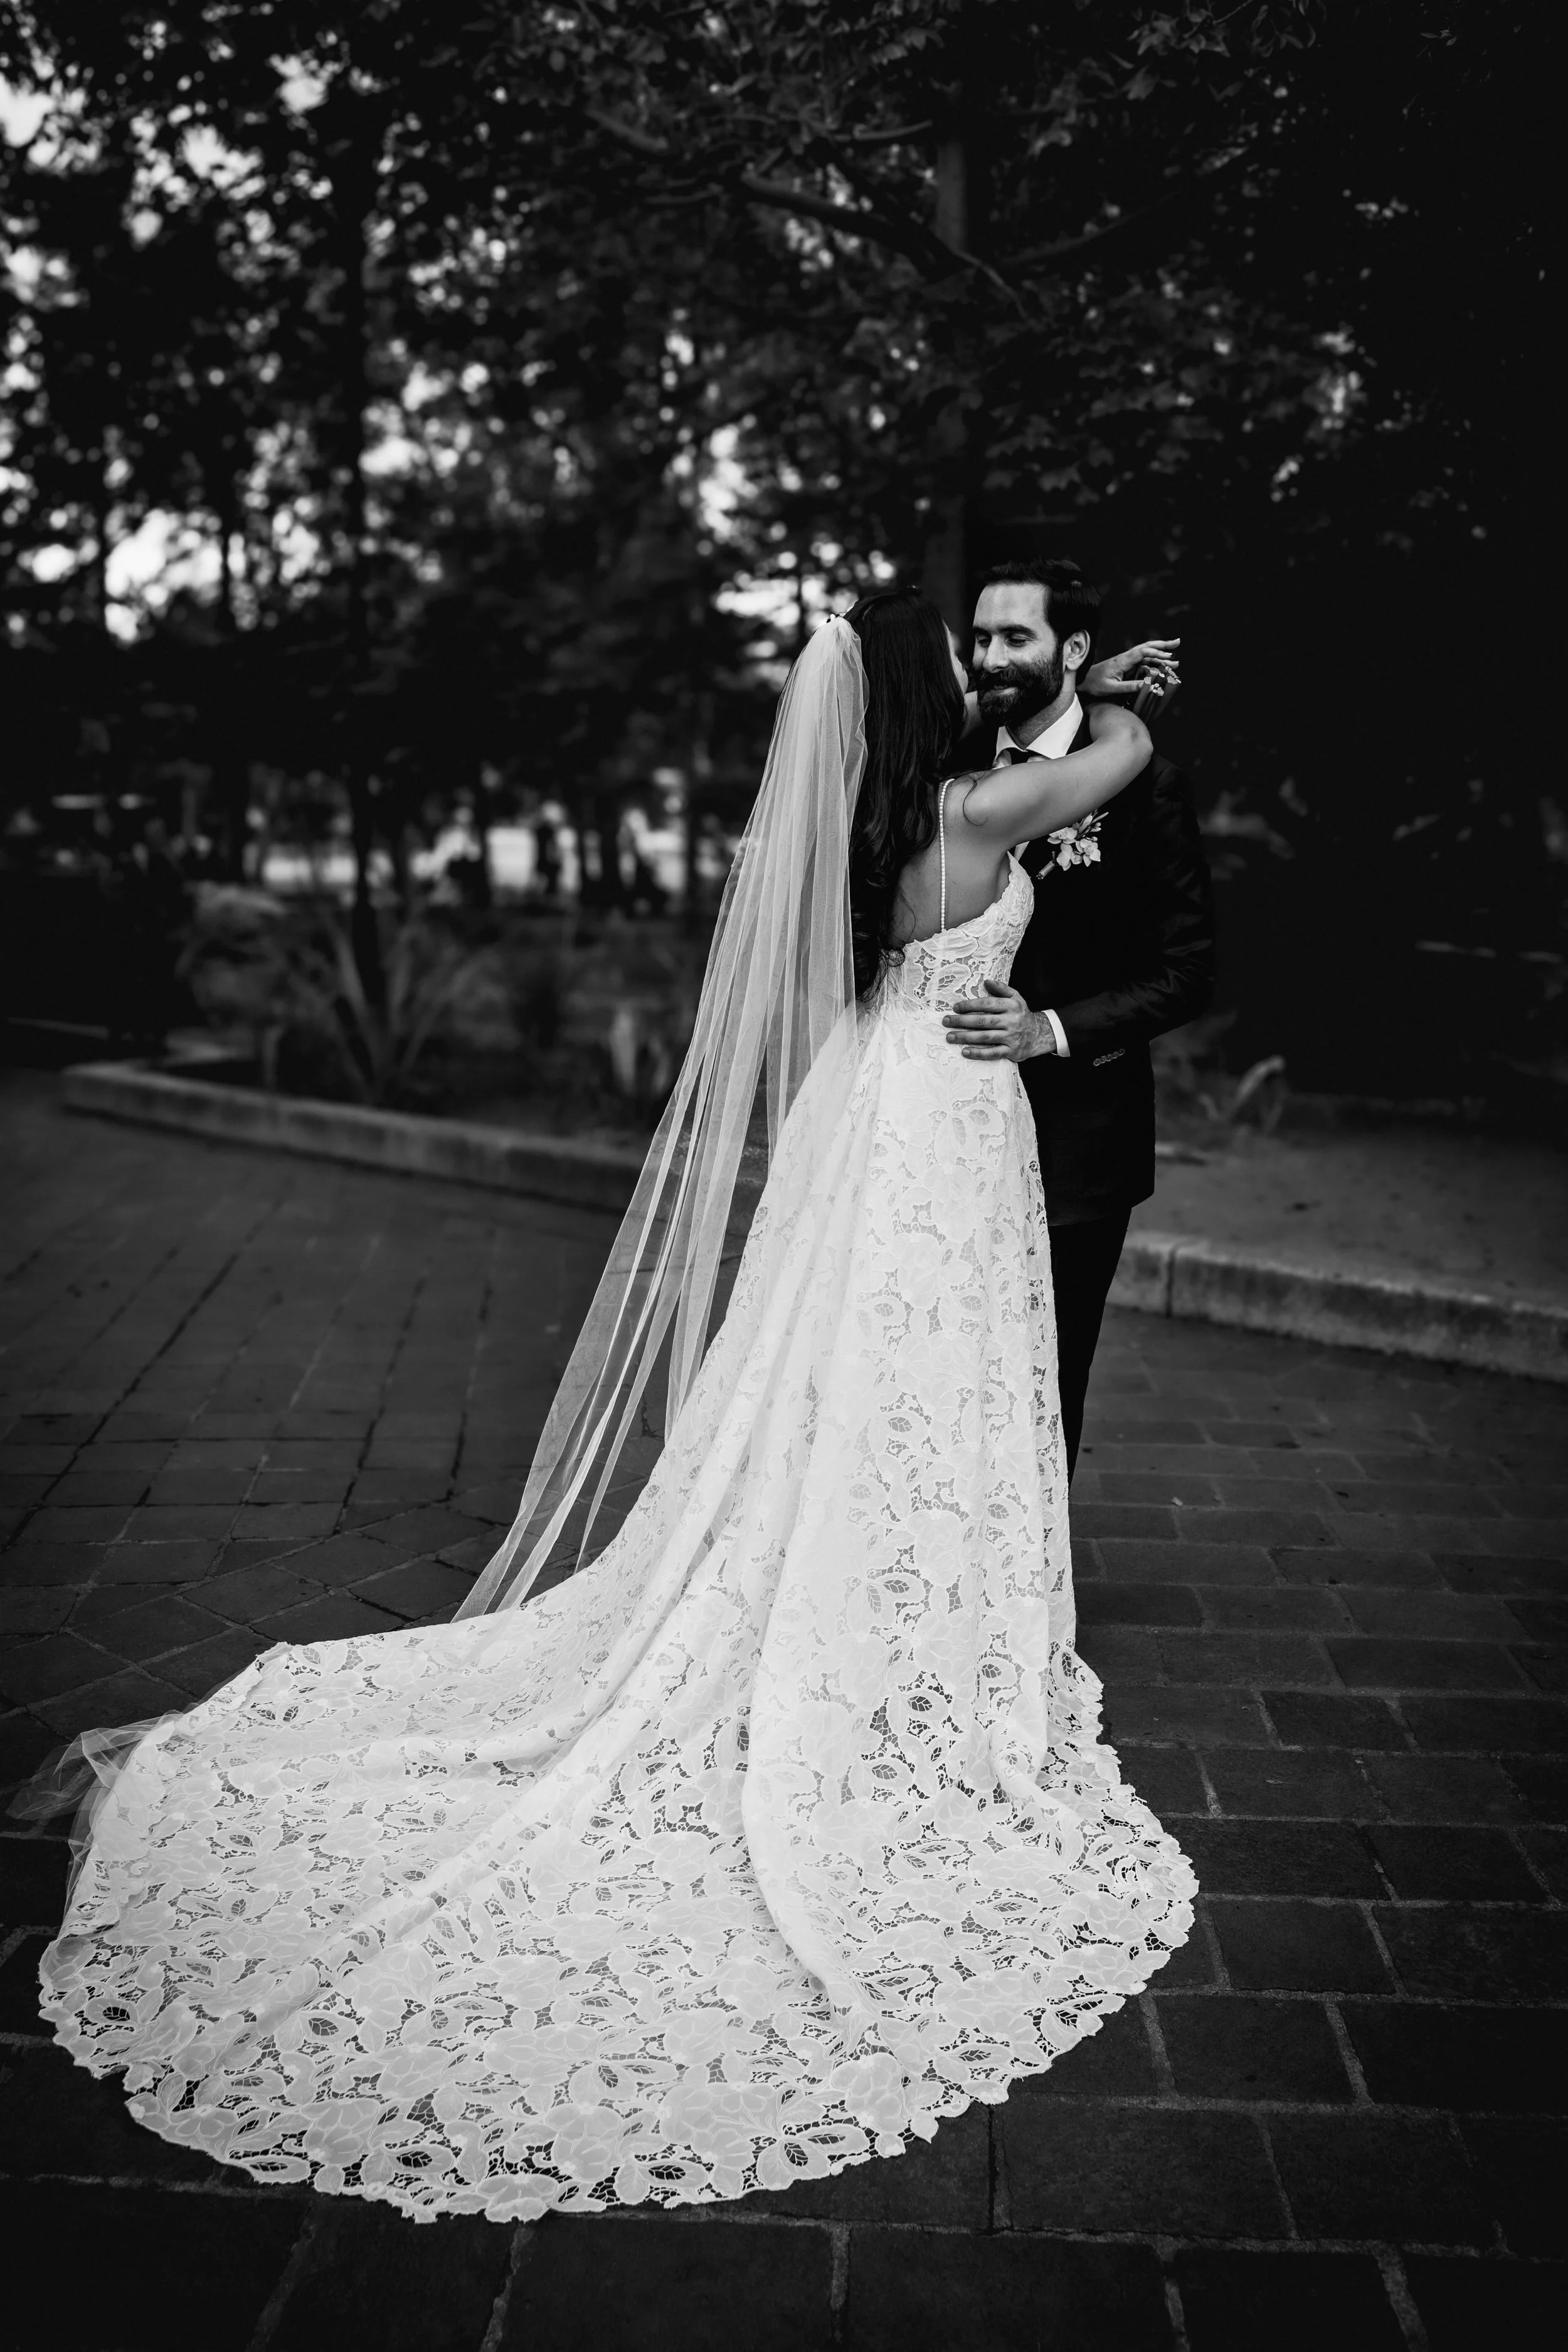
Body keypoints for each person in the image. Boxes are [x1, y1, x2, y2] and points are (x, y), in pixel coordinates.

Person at [28, 592, 1194, 2226]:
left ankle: (833, 1588)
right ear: (928, 715)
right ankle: (903, 1640)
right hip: (950, 1136)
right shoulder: (986, 807)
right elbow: (1124, 756)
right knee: (926, 1394)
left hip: (871, 1120)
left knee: (830, 1386)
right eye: (954, 661)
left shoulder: (872, 830)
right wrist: (1115, 689)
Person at [944, 560, 1216, 1475]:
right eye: (980, 638)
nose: (989, 656)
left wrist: (1047, 1028)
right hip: (936, 1122)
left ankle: (1028, 1601)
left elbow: (1187, 972)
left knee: (1047, 1372)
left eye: (1014, 637)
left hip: (1077, 1134)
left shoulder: (1145, 784)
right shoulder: (948, 760)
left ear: (1073, 647)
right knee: (936, 1360)